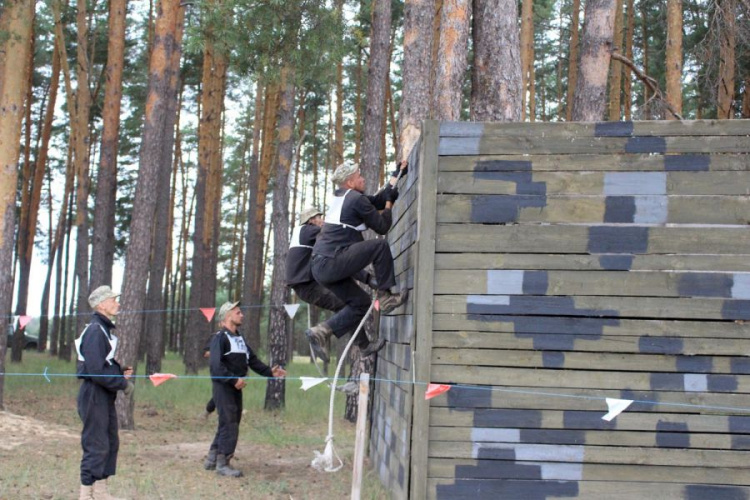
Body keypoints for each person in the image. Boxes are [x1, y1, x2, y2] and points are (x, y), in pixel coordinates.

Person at [306, 160, 409, 363]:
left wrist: (399, 173)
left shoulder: (344, 197)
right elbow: (381, 226)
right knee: (379, 246)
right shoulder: (355, 198)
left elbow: (378, 200)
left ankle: (323, 331)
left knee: (361, 303)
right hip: (330, 261)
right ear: (350, 182)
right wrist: (389, 204)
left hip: (321, 267)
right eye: (359, 176)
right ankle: (386, 297)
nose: (363, 178)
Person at [204, 301, 287, 477]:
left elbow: (253, 361)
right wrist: (233, 380)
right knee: (230, 423)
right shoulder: (220, 338)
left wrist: (270, 372)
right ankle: (223, 463)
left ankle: (212, 458)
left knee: (228, 421)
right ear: (227, 316)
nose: (242, 315)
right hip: (223, 386)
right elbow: (215, 366)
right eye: (238, 312)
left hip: (235, 387)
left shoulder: (239, 339)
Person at [75, 285, 134, 500]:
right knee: (95, 444)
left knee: (110, 442)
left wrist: (119, 370)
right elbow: (96, 372)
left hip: (104, 395)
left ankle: (100, 492)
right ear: (101, 305)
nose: (117, 303)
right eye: (113, 300)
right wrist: (122, 384)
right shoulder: (94, 331)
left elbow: (103, 363)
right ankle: (85, 494)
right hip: (93, 396)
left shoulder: (103, 329)